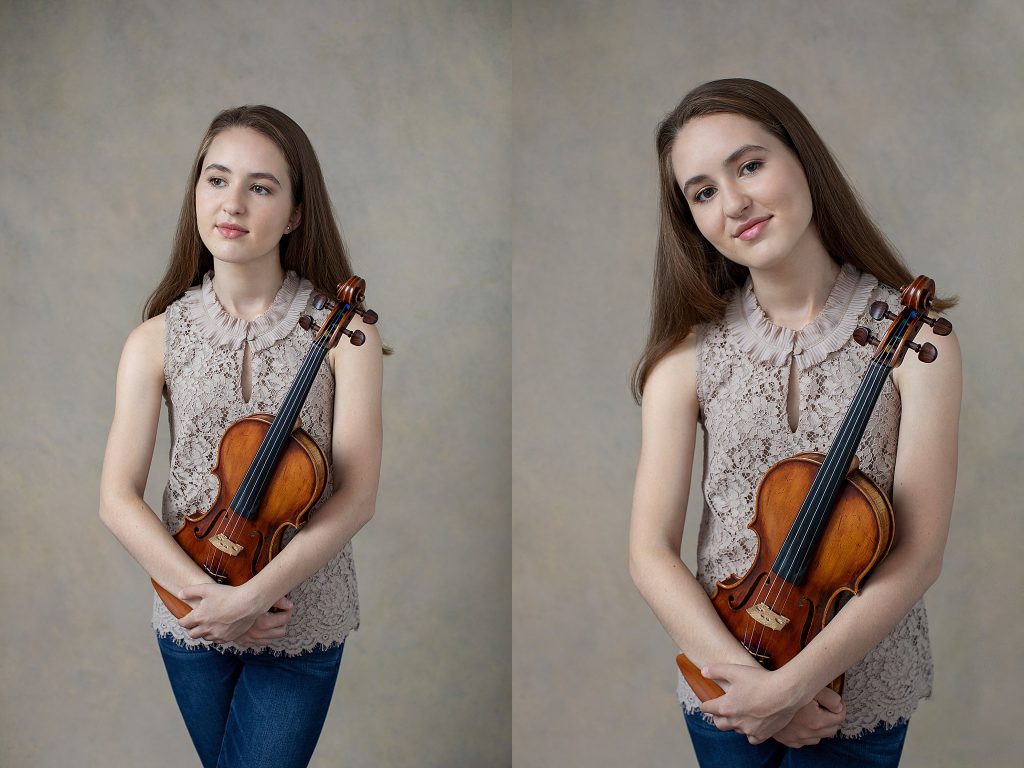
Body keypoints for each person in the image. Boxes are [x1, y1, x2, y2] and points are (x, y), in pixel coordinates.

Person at [628, 79, 960, 767]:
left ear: (801, 159)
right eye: (704, 191)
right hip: (724, 684)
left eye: (749, 165)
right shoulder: (686, 356)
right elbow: (650, 552)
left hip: (855, 695)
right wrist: (751, 688)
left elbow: (918, 555)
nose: (736, 202)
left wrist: (796, 686)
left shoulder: (918, 340)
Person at [99, 105, 383, 768]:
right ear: (195, 193)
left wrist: (253, 599)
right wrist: (215, 604)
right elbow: (116, 497)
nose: (232, 202)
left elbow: (358, 496)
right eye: (216, 179)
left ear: (294, 213)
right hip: (190, 612)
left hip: (297, 613)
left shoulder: (349, 334)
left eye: (260, 186)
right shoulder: (153, 341)